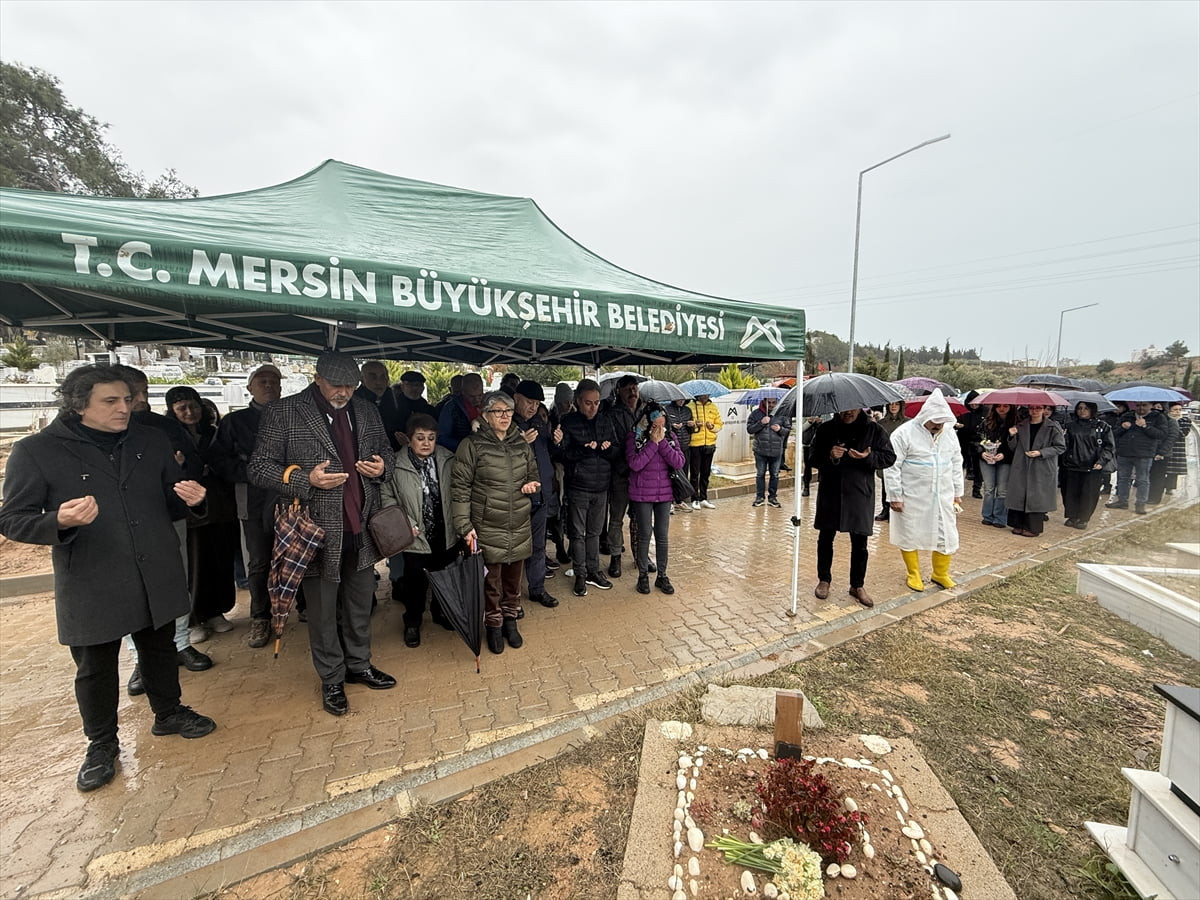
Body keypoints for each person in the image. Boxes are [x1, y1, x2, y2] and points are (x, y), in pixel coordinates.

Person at [0, 365, 216, 793]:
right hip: (93, 576)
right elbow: (12, 519)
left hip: (154, 566)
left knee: (159, 648)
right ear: (79, 404)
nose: (125, 408)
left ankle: (168, 712)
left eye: (127, 399)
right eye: (111, 401)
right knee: (95, 666)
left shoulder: (150, 440)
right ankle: (101, 744)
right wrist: (56, 521)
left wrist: (195, 501)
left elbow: (174, 501)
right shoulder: (37, 451)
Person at [249, 351, 396, 717]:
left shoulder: (365, 410)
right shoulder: (283, 412)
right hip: (313, 529)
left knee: (361, 601)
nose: (344, 392)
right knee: (322, 609)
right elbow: (258, 468)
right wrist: (304, 479)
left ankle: (359, 664)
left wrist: (380, 468)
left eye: (350, 385)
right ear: (317, 378)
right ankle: (331, 677)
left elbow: (389, 456)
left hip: (360, 524)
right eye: (337, 384)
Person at [111, 365, 212, 692]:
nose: (139, 399)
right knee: (128, 589)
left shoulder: (163, 427)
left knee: (175, 580)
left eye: (141, 391)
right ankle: (140, 659)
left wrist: (182, 467)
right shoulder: (96, 435)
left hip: (167, 515)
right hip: (117, 524)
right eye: (131, 392)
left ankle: (180, 644)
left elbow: (197, 464)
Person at [451, 391, 540, 654]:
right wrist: (464, 526)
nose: (504, 416)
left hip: (519, 522)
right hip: (487, 523)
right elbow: (459, 487)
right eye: (498, 411)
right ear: (486, 415)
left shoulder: (521, 444)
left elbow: (532, 473)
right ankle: (493, 624)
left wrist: (532, 485)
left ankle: (510, 620)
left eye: (509, 411)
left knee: (513, 579)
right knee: (492, 582)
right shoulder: (472, 445)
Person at [213, 364, 282, 649]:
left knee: (299, 554)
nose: (268, 386)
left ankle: (302, 606)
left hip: (290, 496)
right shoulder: (233, 421)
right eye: (262, 381)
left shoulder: (292, 416)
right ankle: (260, 616)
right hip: (252, 500)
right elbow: (217, 459)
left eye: (273, 381)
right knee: (259, 561)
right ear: (250, 387)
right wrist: (251, 473)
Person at [164, 386, 240, 644]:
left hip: (221, 506)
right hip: (192, 512)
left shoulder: (214, 432)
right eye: (182, 408)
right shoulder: (169, 437)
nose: (189, 412)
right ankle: (196, 618)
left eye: (194, 406)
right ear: (173, 412)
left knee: (221, 560)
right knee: (196, 564)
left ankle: (217, 611)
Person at [381, 415, 457, 648]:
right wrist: (405, 522)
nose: (426, 443)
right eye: (420, 438)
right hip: (415, 534)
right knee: (415, 583)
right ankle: (412, 621)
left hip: (444, 530)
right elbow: (386, 496)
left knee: (443, 577)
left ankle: (440, 612)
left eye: (431, 438)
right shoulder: (395, 463)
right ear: (409, 439)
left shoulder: (447, 459)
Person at [809, 406, 896, 607]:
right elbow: (812, 457)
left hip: (859, 493)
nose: (847, 412)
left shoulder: (874, 430)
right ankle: (824, 579)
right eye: (843, 409)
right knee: (825, 539)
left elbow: (890, 458)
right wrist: (830, 455)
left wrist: (868, 458)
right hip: (831, 492)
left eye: (852, 409)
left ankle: (857, 585)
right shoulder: (825, 430)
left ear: (860, 408)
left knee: (860, 543)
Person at [883, 392, 963, 592]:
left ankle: (940, 573)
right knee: (910, 533)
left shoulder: (950, 434)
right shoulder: (903, 434)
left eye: (941, 422)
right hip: (912, 495)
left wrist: (957, 491)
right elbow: (892, 466)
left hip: (942, 494)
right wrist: (895, 496)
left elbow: (956, 462)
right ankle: (913, 573)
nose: (937, 425)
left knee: (947, 535)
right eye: (934, 421)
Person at [557, 379, 619, 597]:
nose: (593, 407)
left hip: (601, 486)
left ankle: (593, 572)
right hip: (579, 487)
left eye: (596, 403)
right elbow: (561, 455)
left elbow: (616, 451)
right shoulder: (568, 422)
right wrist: (584, 450)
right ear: (577, 401)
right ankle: (580, 575)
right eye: (588, 403)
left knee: (594, 533)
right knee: (577, 534)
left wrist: (607, 449)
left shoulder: (605, 420)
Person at [626, 402, 686, 594]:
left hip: (664, 494)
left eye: (662, 425)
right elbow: (635, 464)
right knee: (644, 535)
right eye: (655, 426)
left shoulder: (670, 437)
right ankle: (642, 575)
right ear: (647, 422)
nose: (659, 429)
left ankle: (662, 575)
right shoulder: (634, 437)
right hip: (642, 494)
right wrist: (652, 443)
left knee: (662, 536)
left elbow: (678, 462)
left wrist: (662, 444)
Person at [513, 380, 560, 609]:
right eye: (529, 402)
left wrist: (557, 442)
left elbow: (547, 454)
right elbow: (496, 460)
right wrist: (518, 443)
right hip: (517, 498)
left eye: (537, 403)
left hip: (541, 495)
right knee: (514, 549)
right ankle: (511, 599)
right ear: (516, 398)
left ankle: (537, 589)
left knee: (539, 546)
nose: (533, 407)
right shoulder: (507, 425)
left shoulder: (539, 423)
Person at [1005, 404, 1066, 536]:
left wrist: (1041, 452)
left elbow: (1060, 447)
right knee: (1020, 493)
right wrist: (1011, 436)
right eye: (1032, 408)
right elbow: (1013, 447)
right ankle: (1018, 524)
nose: (1035, 411)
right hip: (1021, 464)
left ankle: (1032, 527)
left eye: (1038, 408)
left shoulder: (1053, 427)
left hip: (1041, 465)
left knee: (1036, 496)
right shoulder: (1021, 425)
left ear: (1044, 410)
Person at [603, 375, 642, 576]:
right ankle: (615, 557)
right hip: (621, 475)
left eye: (634, 388)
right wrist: (627, 466)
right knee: (616, 518)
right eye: (627, 389)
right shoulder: (611, 414)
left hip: (642, 477)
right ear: (619, 391)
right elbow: (611, 446)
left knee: (640, 519)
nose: (632, 392)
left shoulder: (645, 412)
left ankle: (641, 557)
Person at [1060, 400, 1116, 530]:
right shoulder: (1070, 426)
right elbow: (1064, 445)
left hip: (1092, 466)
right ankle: (1072, 516)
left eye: (1086, 408)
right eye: (1079, 408)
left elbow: (1109, 447)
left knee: (1089, 493)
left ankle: (1084, 518)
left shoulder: (1102, 427)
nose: (1082, 411)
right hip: (1071, 465)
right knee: (1070, 492)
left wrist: (1101, 461)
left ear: (1092, 410)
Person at [1106, 401, 1167, 515]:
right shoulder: (1127, 416)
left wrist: (1145, 426)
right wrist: (1123, 428)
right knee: (1123, 478)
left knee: (1142, 479)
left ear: (1150, 406)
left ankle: (1140, 504)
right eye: (1138, 405)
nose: (1141, 408)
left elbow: (1161, 434)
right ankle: (1122, 501)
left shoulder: (1158, 417)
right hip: (1125, 452)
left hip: (1144, 453)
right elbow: (1113, 433)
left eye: (1144, 405)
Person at [977, 403, 1016, 528]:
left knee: (1002, 490)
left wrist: (1005, 454)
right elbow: (976, 440)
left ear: (1011, 407)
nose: (1002, 408)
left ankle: (1000, 517)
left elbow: (1018, 446)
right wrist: (982, 453)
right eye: (999, 406)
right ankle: (987, 516)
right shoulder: (986, 422)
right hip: (987, 459)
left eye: (1005, 406)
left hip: (1005, 461)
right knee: (988, 488)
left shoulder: (1016, 423)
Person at [747, 396, 791, 508]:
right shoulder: (756, 414)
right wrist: (761, 423)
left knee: (775, 475)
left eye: (773, 402)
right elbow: (749, 429)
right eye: (769, 402)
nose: (771, 405)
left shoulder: (782, 414)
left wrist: (780, 429)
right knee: (760, 474)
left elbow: (787, 430)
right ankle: (760, 497)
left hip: (776, 451)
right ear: (764, 401)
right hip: (760, 451)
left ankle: (773, 497)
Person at [355, 361, 405, 451]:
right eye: (373, 377)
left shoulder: (398, 400)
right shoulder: (353, 402)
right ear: (362, 380)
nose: (379, 382)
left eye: (383, 377)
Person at [873, 401, 908, 520]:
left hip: (902, 459)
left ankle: (900, 508)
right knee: (885, 484)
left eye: (896, 404)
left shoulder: (908, 423)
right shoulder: (881, 423)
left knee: (902, 484)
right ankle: (885, 509)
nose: (893, 407)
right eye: (891, 404)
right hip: (886, 458)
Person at [688, 392, 723, 509]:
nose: (705, 397)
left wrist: (712, 427)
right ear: (697, 395)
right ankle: (694, 498)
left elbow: (719, 424)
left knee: (705, 473)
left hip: (709, 444)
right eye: (703, 395)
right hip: (695, 444)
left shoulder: (713, 406)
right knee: (694, 473)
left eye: (707, 395)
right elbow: (686, 424)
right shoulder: (690, 406)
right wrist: (693, 425)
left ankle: (703, 498)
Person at [438, 372, 484, 451]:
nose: (476, 400)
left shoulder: (489, 404)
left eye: (480, 395)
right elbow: (442, 437)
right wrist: (465, 446)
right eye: (471, 396)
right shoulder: (451, 407)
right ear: (463, 392)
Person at [1148, 402, 1182, 505]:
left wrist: (1162, 452)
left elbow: (1172, 438)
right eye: (1154, 407)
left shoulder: (1171, 422)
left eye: (1159, 407)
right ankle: (1148, 496)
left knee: (1158, 476)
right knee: (1150, 476)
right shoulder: (1151, 420)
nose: (1156, 409)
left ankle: (1155, 498)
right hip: (1149, 452)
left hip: (1162, 454)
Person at [392, 370, 437, 447]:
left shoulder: (428, 409)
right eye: (410, 385)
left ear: (423, 388)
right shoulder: (392, 406)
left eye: (418, 385)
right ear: (402, 386)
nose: (414, 388)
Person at [665, 397, 695, 512]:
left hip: (685, 445)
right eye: (679, 399)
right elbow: (664, 427)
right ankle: (670, 501)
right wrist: (672, 426)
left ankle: (679, 500)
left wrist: (691, 426)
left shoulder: (687, 410)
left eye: (683, 399)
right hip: (672, 447)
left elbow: (692, 431)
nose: (681, 401)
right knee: (672, 474)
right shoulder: (667, 409)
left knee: (683, 474)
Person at [1164, 401, 1191, 495]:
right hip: (1166, 447)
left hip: (1177, 448)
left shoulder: (1184, 420)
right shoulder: (1164, 420)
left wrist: (1174, 424)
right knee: (1162, 468)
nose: (1177, 412)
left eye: (1179, 409)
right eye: (1175, 410)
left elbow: (1183, 433)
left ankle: (1170, 487)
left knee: (1173, 471)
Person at [799, 415, 822, 497]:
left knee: (822, 466)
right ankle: (806, 487)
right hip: (808, 445)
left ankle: (821, 486)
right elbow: (799, 429)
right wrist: (809, 422)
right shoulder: (805, 413)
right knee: (807, 466)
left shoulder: (827, 414)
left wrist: (820, 423)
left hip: (821, 446)